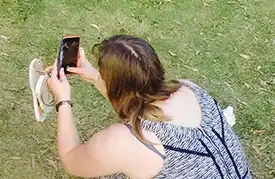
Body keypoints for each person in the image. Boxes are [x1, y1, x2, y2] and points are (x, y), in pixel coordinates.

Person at [46, 35, 252, 179]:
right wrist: (94, 76)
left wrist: (63, 100)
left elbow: (71, 159)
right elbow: (133, 97)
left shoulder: (125, 142)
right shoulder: (188, 89)